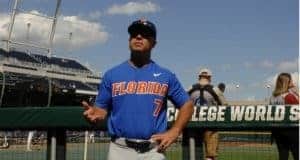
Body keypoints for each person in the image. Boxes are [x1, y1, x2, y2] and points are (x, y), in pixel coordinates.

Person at [82, 18, 194, 160]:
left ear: (154, 43)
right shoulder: (112, 75)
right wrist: (95, 115)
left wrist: (175, 131)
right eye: (134, 34)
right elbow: (101, 111)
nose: (139, 37)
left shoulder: (166, 76)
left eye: (145, 34)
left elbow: (187, 105)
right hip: (119, 149)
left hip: (153, 150)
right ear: (129, 40)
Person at [187, 68, 223, 160]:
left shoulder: (190, 88)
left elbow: (182, 102)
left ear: (199, 77)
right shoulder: (215, 89)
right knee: (211, 154)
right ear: (210, 77)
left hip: (192, 124)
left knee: (192, 153)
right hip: (210, 124)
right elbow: (225, 105)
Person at [269, 72, 299, 160]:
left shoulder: (272, 97)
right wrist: (296, 92)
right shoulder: (289, 96)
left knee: (283, 155)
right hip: (291, 129)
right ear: (288, 82)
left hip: (277, 130)